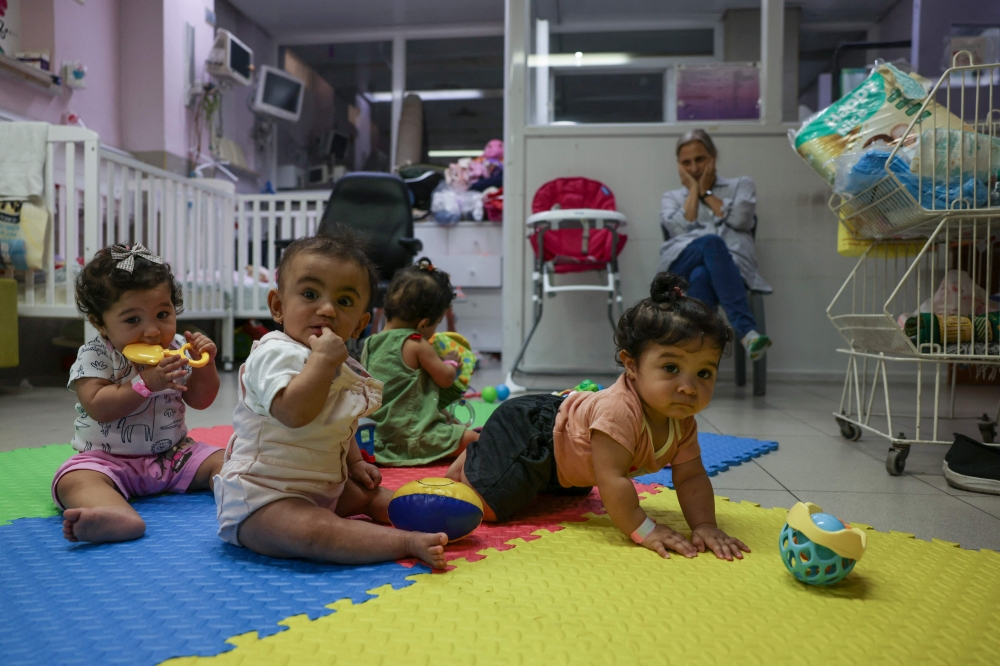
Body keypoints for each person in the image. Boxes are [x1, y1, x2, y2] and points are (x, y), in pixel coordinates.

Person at [447, 273, 751, 561]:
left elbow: (691, 477)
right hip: (532, 433)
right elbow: (612, 479)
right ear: (631, 365)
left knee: (572, 497)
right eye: (671, 368)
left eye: (704, 373)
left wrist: (705, 526)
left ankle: (488, 451)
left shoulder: (683, 422)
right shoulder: (619, 410)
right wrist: (646, 530)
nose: (688, 387)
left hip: (568, 463)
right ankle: (476, 451)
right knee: (484, 508)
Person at [213, 232, 448, 569]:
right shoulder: (274, 353)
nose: (327, 309)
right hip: (262, 499)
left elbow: (339, 419)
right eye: (310, 294)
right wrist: (322, 362)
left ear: (360, 325)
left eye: (345, 302)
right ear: (278, 306)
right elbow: (293, 412)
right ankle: (407, 542)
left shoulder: (341, 362)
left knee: (367, 495)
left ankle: (432, 515)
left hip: (324, 489)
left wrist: (354, 465)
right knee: (317, 532)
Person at [53, 244, 223, 544]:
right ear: (99, 323)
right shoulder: (96, 355)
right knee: (74, 480)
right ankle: (113, 515)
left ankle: (249, 495)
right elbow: (97, 406)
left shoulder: (176, 349)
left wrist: (206, 365)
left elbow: (201, 399)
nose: (153, 331)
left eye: (162, 314)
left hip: (174, 456)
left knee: (227, 459)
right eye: (133, 320)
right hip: (106, 460)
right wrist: (146, 384)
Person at [659, 128, 772, 361]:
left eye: (700, 159)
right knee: (711, 242)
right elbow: (678, 229)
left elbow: (741, 219)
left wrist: (706, 192)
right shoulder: (671, 197)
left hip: (728, 268)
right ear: (679, 165)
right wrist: (694, 191)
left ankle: (693, 349)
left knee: (703, 274)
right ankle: (747, 332)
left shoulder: (741, 184)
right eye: (686, 163)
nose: (694, 168)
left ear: (713, 156)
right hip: (681, 266)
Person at [361, 258, 480, 466]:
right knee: (474, 440)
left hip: (379, 441)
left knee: (443, 415)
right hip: (414, 439)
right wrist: (451, 363)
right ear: (424, 324)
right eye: (437, 324)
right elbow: (444, 379)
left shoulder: (370, 344)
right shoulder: (416, 342)